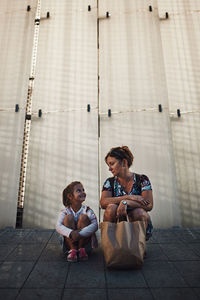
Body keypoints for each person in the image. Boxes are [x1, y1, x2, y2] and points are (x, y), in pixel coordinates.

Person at [100, 146, 153, 240]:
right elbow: (103, 202)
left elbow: (149, 205)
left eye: (112, 164)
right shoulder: (109, 182)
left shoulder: (142, 179)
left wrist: (126, 203)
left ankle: (137, 246)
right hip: (118, 221)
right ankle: (111, 246)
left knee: (139, 212)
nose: (109, 168)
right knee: (111, 208)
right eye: (108, 165)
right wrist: (129, 197)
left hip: (137, 219)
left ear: (124, 162)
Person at [56, 181, 98, 262]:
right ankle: (73, 250)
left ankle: (81, 249)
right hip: (68, 246)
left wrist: (79, 233)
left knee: (83, 218)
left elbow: (95, 225)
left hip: (86, 246)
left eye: (83, 190)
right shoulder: (65, 211)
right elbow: (58, 226)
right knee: (68, 218)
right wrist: (71, 233)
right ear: (70, 196)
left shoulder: (87, 210)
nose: (83, 192)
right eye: (79, 191)